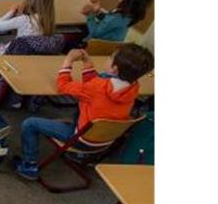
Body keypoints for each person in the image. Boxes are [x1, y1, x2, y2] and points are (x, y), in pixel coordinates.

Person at [13, 43, 154, 180]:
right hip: (105, 140)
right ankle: (82, 156)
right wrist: (87, 63)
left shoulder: (97, 87)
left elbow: (63, 86)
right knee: (79, 110)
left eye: (110, 57)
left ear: (114, 69)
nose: (108, 59)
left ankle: (29, 166)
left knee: (30, 123)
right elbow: (96, 84)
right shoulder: (133, 87)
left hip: (82, 139)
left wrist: (68, 61)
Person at [81, 0, 154, 42]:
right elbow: (106, 22)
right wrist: (97, 12)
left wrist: (90, 14)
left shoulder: (118, 17)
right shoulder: (128, 15)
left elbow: (94, 32)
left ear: (131, 0)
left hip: (93, 46)